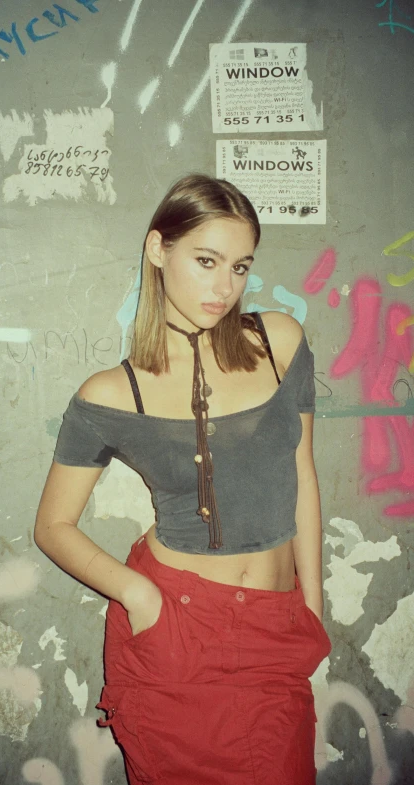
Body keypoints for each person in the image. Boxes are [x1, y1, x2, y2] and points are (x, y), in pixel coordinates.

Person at [34, 173, 332, 785]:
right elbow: (53, 526)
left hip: (273, 629)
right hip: (175, 630)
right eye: (206, 261)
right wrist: (140, 597)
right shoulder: (111, 394)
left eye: (241, 267)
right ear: (157, 250)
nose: (225, 287)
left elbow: (303, 472)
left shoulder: (280, 342)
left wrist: (312, 608)